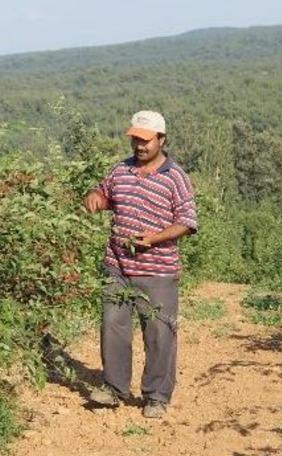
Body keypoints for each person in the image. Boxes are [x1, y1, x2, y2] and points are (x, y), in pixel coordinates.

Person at [83, 110, 197, 419]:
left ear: (162, 140)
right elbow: (105, 194)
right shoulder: (120, 170)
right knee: (113, 327)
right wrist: (95, 197)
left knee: (159, 333)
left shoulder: (175, 177)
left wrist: (155, 238)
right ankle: (113, 388)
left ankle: (156, 396)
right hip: (117, 266)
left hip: (158, 271)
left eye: (146, 140)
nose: (140, 146)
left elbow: (187, 222)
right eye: (135, 139)